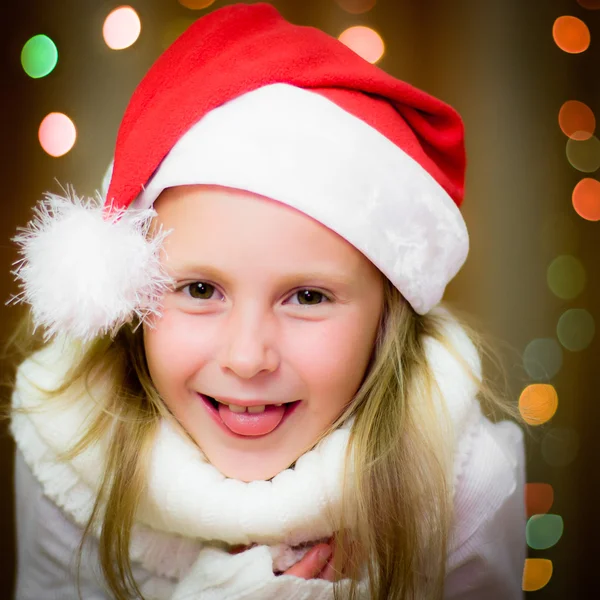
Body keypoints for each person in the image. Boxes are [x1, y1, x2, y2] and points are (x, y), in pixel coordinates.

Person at [7, 2, 526, 599]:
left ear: (387, 314)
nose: (248, 357)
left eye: (306, 296)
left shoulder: (457, 484)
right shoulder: (71, 447)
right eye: (200, 290)